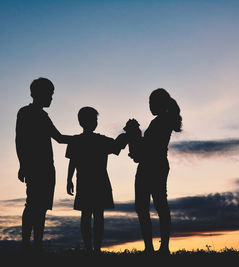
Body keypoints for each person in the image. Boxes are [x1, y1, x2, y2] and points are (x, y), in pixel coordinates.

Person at [15, 77, 71, 252]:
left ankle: (35, 245)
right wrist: (23, 164)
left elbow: (59, 138)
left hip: (45, 167)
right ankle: (27, 245)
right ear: (39, 94)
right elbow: (20, 141)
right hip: (38, 167)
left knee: (39, 207)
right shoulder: (28, 113)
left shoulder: (39, 115)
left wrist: (23, 164)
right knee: (33, 205)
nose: (51, 98)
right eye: (50, 94)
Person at [124, 88, 182, 255]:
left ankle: (155, 248)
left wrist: (134, 134)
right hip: (156, 165)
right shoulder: (163, 120)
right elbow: (146, 147)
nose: (149, 106)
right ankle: (160, 248)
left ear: (160, 103)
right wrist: (136, 136)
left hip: (151, 166)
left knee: (147, 207)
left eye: (152, 103)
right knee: (158, 206)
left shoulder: (160, 121)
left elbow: (147, 148)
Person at [65, 107, 127, 253]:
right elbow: (118, 146)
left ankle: (93, 249)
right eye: (93, 120)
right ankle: (93, 249)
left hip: (89, 183)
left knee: (89, 216)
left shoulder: (77, 141)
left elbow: (118, 145)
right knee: (94, 216)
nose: (95, 122)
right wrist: (68, 180)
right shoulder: (98, 140)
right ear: (85, 122)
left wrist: (69, 180)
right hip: (96, 183)